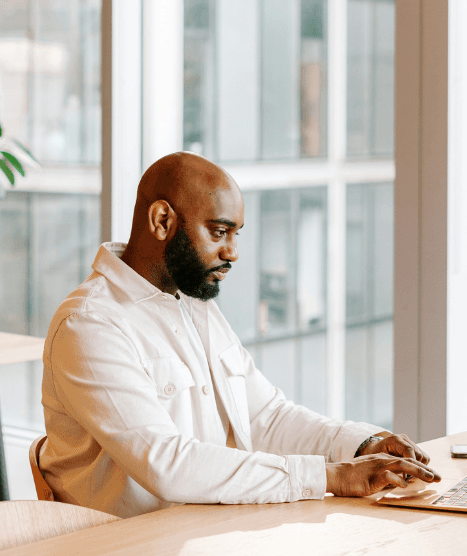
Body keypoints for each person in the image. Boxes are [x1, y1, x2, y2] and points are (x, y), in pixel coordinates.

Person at [41, 152, 440, 516]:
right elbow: (166, 463)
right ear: (162, 221)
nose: (233, 252)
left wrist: (359, 446)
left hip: (204, 541)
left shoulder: (195, 306)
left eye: (236, 235)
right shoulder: (89, 324)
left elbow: (265, 417)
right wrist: (331, 477)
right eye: (219, 232)